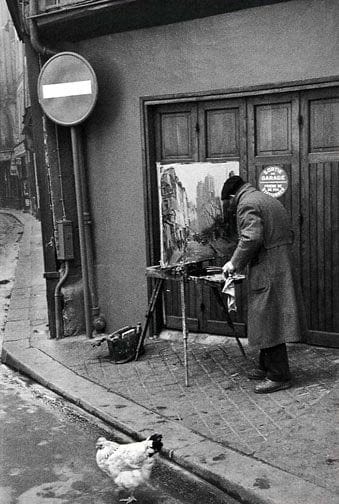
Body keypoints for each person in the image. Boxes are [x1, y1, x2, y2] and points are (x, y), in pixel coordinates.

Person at [221, 175, 306, 394]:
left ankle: (279, 376)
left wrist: (234, 263)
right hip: (280, 265)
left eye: (228, 203)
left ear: (232, 197)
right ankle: (265, 365)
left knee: (269, 319)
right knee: (267, 317)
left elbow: (251, 237)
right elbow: (289, 233)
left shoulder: (246, 203)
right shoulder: (267, 199)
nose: (229, 208)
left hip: (267, 269)